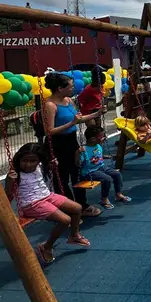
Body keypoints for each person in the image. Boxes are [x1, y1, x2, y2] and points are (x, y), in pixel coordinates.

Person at [6, 143, 88, 264]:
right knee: (65, 220)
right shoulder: (16, 174)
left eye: (32, 161)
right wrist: (9, 182)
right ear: (19, 159)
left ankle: (74, 235)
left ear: (39, 160)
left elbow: (47, 169)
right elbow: (8, 195)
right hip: (31, 204)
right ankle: (46, 247)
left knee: (77, 208)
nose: (28, 164)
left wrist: (53, 166)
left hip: (47, 196)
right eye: (24, 160)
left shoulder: (40, 166)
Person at [43, 72, 103, 218]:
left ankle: (82, 205)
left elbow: (78, 118)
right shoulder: (50, 105)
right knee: (62, 178)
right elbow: (49, 131)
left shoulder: (69, 100)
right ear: (59, 88)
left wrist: (96, 114)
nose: (73, 89)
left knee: (78, 173)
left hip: (71, 141)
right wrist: (71, 123)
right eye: (70, 87)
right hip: (57, 144)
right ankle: (69, 209)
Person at [76, 126, 132, 209]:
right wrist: (77, 153)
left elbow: (98, 156)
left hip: (101, 167)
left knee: (117, 174)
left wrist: (107, 156)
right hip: (90, 172)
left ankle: (118, 194)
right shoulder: (84, 150)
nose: (104, 138)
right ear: (93, 139)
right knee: (107, 179)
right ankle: (103, 198)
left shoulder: (98, 145)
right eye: (101, 137)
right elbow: (78, 164)